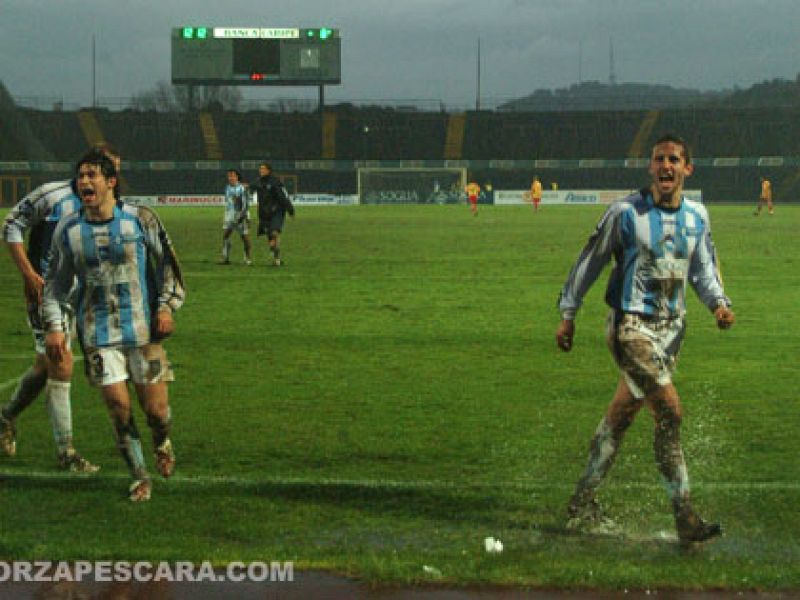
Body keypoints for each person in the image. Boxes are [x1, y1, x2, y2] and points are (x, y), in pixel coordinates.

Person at [555, 134, 735, 544]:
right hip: (631, 328)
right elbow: (591, 260)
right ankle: (685, 516)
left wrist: (719, 304)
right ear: (650, 167)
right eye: (659, 159)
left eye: (674, 159)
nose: (666, 166)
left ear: (688, 167)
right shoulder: (624, 213)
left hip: (672, 332)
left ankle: (581, 502)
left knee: (621, 416)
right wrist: (568, 314)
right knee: (669, 411)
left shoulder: (698, 217)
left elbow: (703, 269)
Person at [42, 148, 185, 502]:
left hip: (145, 333)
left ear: (111, 182)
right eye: (81, 176)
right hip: (98, 334)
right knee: (119, 409)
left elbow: (169, 263)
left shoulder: (141, 219)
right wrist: (55, 326)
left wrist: (166, 307)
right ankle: (139, 476)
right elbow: (55, 284)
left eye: (93, 175)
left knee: (156, 411)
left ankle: (162, 440)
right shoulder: (69, 229)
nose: (85, 181)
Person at [0, 155, 106, 472]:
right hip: (46, 293)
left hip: (76, 295)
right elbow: (12, 224)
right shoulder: (53, 195)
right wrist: (29, 275)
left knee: (44, 365)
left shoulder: (105, 205)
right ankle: (66, 453)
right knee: (61, 364)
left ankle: (5, 416)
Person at [249, 162, 294, 267]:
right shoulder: (258, 182)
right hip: (264, 214)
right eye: (260, 169)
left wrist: (290, 210)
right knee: (271, 240)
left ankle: (276, 259)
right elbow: (250, 187)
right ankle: (276, 258)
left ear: (269, 170)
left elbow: (283, 197)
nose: (261, 171)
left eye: (263, 169)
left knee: (274, 232)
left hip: (277, 212)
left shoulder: (275, 182)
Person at [219, 169, 253, 265]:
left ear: (237, 177)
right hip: (229, 215)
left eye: (233, 176)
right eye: (229, 176)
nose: (231, 178)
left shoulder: (242, 188)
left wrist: (245, 216)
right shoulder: (227, 187)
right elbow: (229, 202)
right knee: (226, 235)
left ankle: (247, 258)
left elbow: (246, 204)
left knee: (245, 237)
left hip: (240, 215)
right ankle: (225, 257)